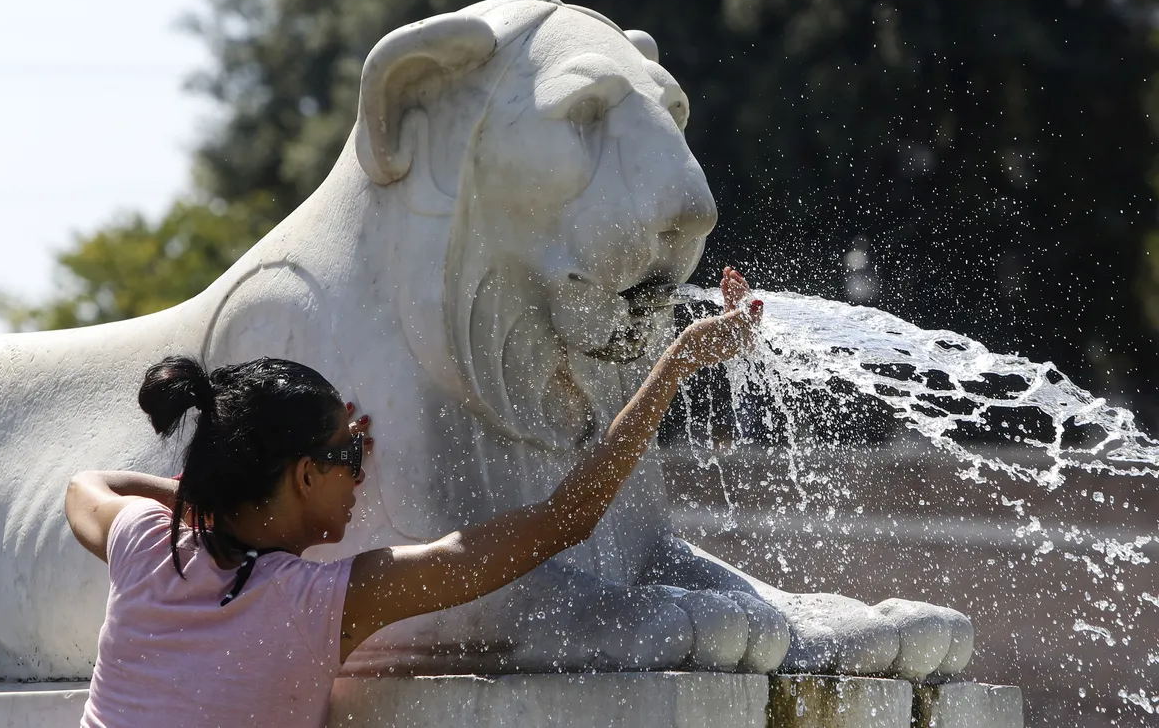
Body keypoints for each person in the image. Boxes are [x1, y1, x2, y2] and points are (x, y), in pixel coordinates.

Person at [66, 266, 762, 728]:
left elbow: (87, 486)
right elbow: (567, 518)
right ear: (304, 475)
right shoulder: (320, 601)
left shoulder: (145, 544)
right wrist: (676, 361)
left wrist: (211, 507)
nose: (361, 469)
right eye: (346, 453)